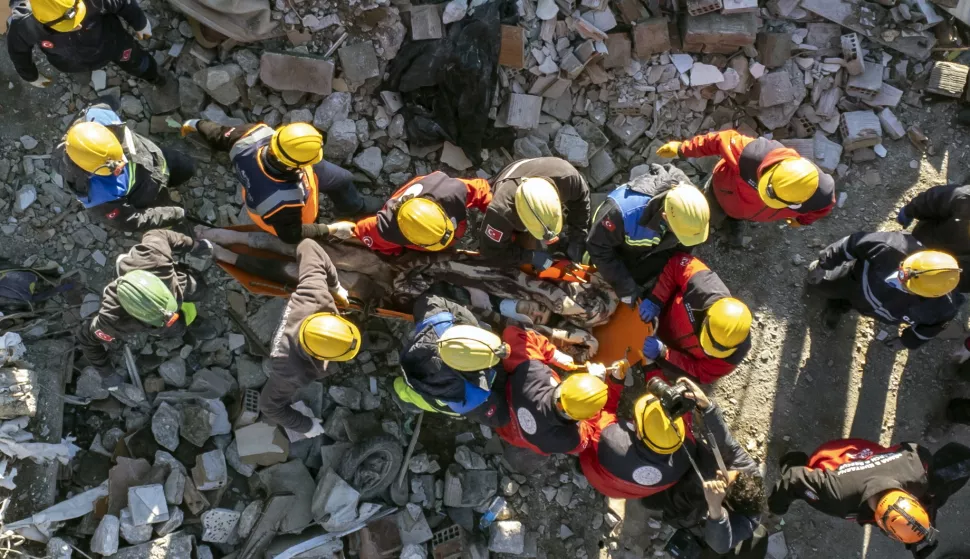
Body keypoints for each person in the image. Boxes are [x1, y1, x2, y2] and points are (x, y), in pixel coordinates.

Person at [180, 119, 381, 243]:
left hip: (276, 184)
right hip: (276, 215)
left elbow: (216, 134)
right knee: (310, 223)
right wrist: (330, 229)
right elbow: (290, 235)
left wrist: (194, 124)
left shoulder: (251, 135)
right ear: (297, 165)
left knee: (342, 178)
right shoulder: (282, 201)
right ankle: (331, 226)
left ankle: (353, 206)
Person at [769, 438, 970, 558]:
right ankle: (793, 458)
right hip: (832, 458)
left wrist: (916, 537)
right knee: (801, 471)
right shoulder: (838, 498)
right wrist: (777, 508)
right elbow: (793, 480)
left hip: (864, 455)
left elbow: (908, 448)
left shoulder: (917, 465)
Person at [642, 386, 767, 558]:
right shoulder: (747, 470)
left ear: (728, 503)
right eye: (727, 472)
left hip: (682, 507)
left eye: (723, 481)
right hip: (687, 465)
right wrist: (707, 407)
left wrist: (715, 510)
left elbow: (721, 546)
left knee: (648, 501)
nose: (720, 472)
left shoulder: (747, 522)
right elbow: (725, 442)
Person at [656, 130, 835, 245]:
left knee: (736, 219)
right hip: (721, 195)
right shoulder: (751, 155)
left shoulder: (821, 196)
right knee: (709, 212)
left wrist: (803, 221)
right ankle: (702, 226)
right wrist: (681, 148)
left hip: (751, 213)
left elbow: (821, 210)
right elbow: (717, 141)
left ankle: (734, 223)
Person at [259, 239, 359, 436]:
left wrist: (334, 285)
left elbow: (308, 245)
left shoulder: (312, 294)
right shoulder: (290, 370)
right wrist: (306, 426)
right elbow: (268, 406)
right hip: (286, 355)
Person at [77, 229, 211, 372]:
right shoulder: (113, 319)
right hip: (157, 320)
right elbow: (86, 340)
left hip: (175, 283)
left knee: (200, 290)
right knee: (173, 328)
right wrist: (106, 372)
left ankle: (185, 311)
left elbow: (159, 234)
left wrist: (193, 245)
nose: (168, 316)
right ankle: (189, 323)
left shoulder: (153, 258)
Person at [806, 231, 964, 349]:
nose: (898, 279)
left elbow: (929, 330)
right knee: (821, 286)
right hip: (853, 281)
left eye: (906, 285)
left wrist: (906, 342)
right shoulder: (890, 246)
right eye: (902, 271)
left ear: (928, 295)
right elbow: (851, 244)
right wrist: (823, 265)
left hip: (874, 308)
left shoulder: (943, 309)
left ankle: (842, 307)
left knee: (856, 305)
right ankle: (836, 303)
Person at [54, 102, 194, 232]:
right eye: (111, 167)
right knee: (172, 223)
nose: (122, 163)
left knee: (187, 168)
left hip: (155, 157)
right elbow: (130, 221)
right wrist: (175, 214)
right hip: (147, 195)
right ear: (90, 170)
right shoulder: (97, 194)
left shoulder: (98, 114)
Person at [585, 164, 710, 306]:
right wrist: (624, 287)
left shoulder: (691, 210)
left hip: (641, 248)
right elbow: (597, 246)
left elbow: (677, 252)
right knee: (600, 274)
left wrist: (656, 297)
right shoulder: (623, 212)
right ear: (665, 216)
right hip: (609, 243)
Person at [6, 0, 176, 100]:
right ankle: (82, 71)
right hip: (69, 61)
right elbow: (18, 51)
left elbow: (122, 3)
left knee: (136, 61)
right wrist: (30, 75)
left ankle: (155, 77)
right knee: (75, 68)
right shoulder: (24, 23)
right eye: (68, 25)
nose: (78, 25)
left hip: (112, 43)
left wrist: (140, 22)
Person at [494, 325, 619, 455]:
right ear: (584, 416)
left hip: (505, 420)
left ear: (565, 383)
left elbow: (513, 333)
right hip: (512, 433)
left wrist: (553, 355)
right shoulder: (569, 439)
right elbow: (589, 431)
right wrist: (597, 387)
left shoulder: (533, 373)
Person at [392, 290, 511, 426]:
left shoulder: (439, 322)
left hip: (416, 365)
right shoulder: (475, 395)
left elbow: (427, 301)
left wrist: (464, 318)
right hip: (439, 395)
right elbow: (501, 417)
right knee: (419, 396)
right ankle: (398, 388)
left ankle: (400, 387)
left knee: (408, 390)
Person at [580, 377, 702, 499]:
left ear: (638, 433)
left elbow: (600, 412)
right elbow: (682, 413)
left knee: (587, 437)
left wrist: (614, 381)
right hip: (633, 492)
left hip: (599, 478)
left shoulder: (611, 439)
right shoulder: (686, 454)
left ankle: (580, 467)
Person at [637, 253, 752, 383]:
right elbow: (677, 264)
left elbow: (700, 372)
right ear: (707, 320)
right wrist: (656, 299)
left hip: (675, 351)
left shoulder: (733, 356)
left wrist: (664, 353)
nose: (706, 350)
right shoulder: (702, 285)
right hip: (660, 314)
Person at [326, 171, 492, 256]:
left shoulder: (452, 190)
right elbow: (361, 234)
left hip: (437, 196)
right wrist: (396, 253)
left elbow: (482, 189)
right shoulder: (383, 229)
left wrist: (496, 216)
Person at [478, 157, 591, 270]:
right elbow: (490, 251)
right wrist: (529, 257)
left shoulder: (568, 178)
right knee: (517, 257)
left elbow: (581, 204)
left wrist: (578, 238)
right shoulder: (501, 212)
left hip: (531, 170)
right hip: (508, 179)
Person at [897, 183, 970, 292]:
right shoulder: (965, 199)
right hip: (921, 239)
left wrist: (946, 287)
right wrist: (910, 210)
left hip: (940, 275)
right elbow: (934, 200)